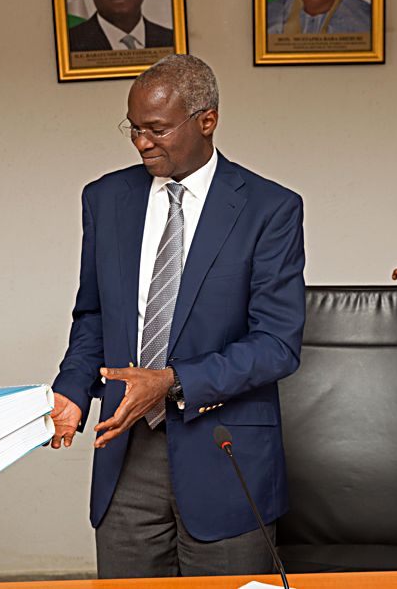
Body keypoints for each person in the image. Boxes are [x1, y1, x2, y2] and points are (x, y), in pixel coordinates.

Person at [49, 54, 305, 578]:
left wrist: (170, 382)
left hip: (225, 454)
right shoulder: (106, 199)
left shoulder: (269, 208)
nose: (143, 142)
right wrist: (71, 390)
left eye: (157, 129)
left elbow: (278, 343)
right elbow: (94, 316)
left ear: (206, 121)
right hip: (126, 454)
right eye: (134, 128)